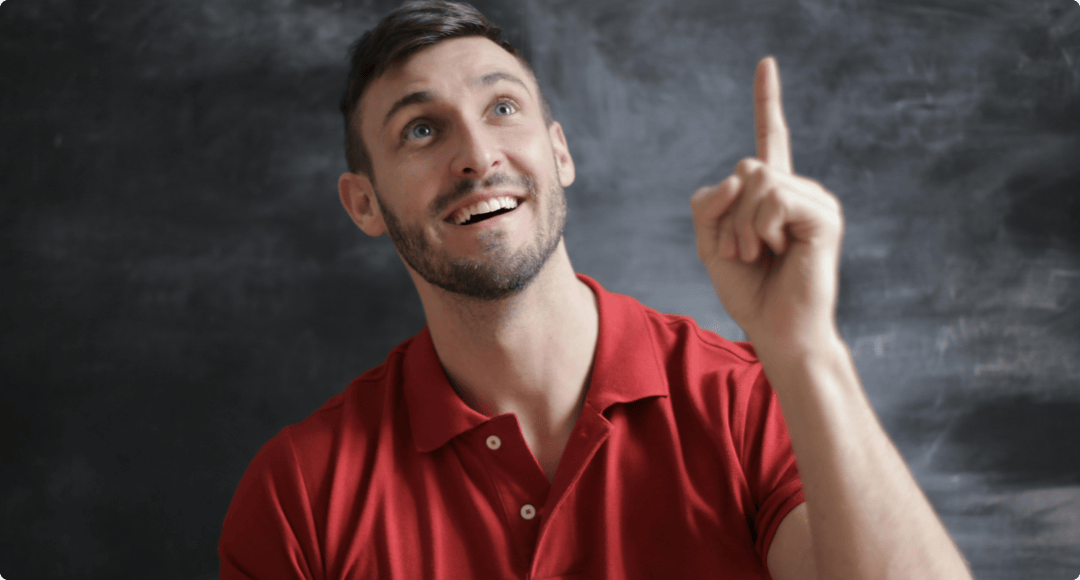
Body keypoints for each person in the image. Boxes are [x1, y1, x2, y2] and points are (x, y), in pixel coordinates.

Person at [219, 1, 974, 578]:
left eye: (503, 108)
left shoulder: (758, 403)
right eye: (422, 130)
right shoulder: (299, 497)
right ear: (363, 204)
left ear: (559, 152)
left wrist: (807, 350)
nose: (478, 156)